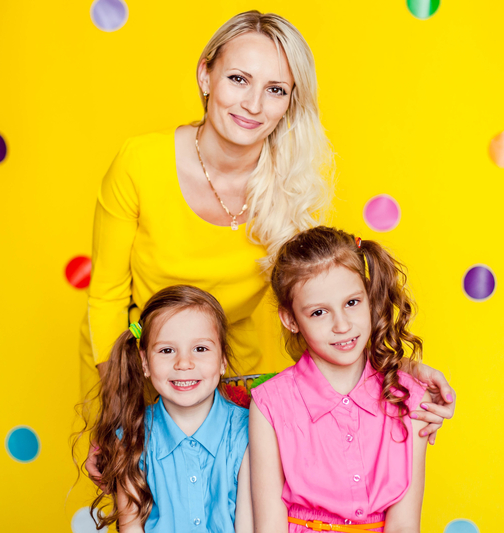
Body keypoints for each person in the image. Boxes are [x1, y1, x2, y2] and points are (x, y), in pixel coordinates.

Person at [81, 12, 454, 482]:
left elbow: (325, 298)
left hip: (245, 372)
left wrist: (399, 372)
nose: (253, 104)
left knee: (246, 507)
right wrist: (116, 414)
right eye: (239, 79)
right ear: (205, 75)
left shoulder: (294, 182)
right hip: (142, 369)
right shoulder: (139, 162)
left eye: (275, 89)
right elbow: (106, 299)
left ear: (290, 102)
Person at [250, 227, 431, 532]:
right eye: (319, 312)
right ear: (291, 319)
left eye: (352, 303)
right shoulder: (270, 404)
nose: (342, 325)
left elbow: (404, 525)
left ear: (368, 297)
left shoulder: (410, 399)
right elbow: (270, 526)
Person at [77, 285, 252, 533]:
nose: (184, 363)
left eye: (200, 348)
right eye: (167, 350)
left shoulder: (249, 432)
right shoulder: (130, 438)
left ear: (223, 359)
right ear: (145, 363)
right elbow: (131, 526)